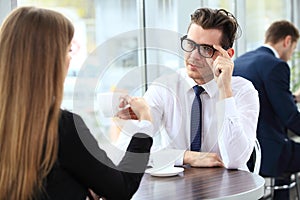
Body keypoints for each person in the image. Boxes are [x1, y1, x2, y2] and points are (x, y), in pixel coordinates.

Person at [0, 6, 153, 200]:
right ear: (50, 61)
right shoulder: (62, 127)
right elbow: (122, 188)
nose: (70, 58)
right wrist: (145, 124)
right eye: (68, 50)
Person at [118, 8, 259, 170]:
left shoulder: (243, 91)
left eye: (206, 49)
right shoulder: (164, 88)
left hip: (230, 189)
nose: (193, 56)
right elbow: (126, 149)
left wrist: (225, 91)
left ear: (227, 55)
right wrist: (186, 157)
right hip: (177, 189)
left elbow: (235, 160)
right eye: (190, 44)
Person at [233, 20, 300, 199]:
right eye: (293, 48)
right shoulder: (276, 65)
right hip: (270, 153)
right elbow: (290, 117)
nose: (291, 54)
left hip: (243, 153)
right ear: (287, 41)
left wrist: (293, 98)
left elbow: (262, 99)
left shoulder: (240, 61)